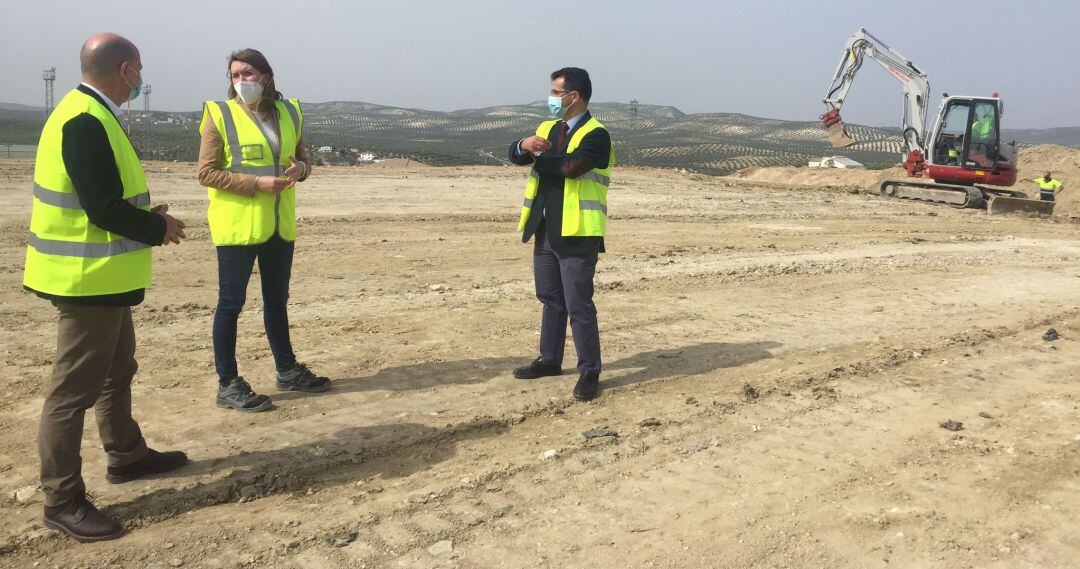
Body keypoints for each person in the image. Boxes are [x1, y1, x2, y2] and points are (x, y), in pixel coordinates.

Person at [23, 33, 189, 543]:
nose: (140, 79)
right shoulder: (84, 120)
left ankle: (126, 454)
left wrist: (144, 218)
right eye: (139, 70)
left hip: (105, 278)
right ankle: (62, 499)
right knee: (71, 393)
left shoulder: (94, 114)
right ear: (125, 70)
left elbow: (104, 199)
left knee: (119, 369)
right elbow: (101, 208)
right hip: (84, 280)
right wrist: (157, 228)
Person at [197, 48, 330, 412]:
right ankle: (227, 383)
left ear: (267, 76)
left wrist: (300, 172)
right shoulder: (219, 114)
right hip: (237, 226)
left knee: (277, 302)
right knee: (230, 305)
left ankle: (287, 369)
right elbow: (206, 173)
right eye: (235, 75)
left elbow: (304, 160)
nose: (241, 81)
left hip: (278, 226)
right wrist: (257, 183)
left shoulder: (289, 112)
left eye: (248, 73)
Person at [508, 67, 614, 401]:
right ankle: (550, 360)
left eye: (557, 93)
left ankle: (589, 371)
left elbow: (572, 168)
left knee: (578, 304)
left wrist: (541, 160)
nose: (552, 98)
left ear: (575, 96)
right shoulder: (546, 128)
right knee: (550, 299)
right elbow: (516, 156)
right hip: (544, 229)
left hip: (577, 234)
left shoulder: (597, 134)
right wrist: (523, 145)